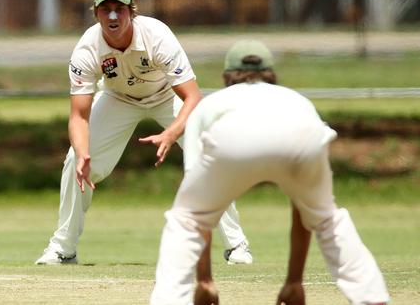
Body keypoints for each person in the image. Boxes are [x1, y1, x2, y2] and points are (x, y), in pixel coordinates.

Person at [150, 40, 390, 305]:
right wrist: (294, 281)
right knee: (327, 221)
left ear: (227, 76)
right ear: (271, 75)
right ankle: (372, 299)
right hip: (302, 135)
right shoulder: (296, 100)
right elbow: (303, 209)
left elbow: (198, 216)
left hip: (230, 138)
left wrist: (205, 281)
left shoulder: (210, 105)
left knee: (186, 220)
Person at [35, 0, 252, 265]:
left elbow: (192, 97)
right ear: (96, 13)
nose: (112, 15)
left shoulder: (157, 36)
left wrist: (172, 133)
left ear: (131, 11)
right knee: (74, 161)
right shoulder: (87, 49)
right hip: (118, 98)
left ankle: (236, 246)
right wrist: (83, 152)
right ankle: (64, 249)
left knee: (208, 153)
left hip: (165, 95)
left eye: (119, 8)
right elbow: (78, 115)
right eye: (105, 8)